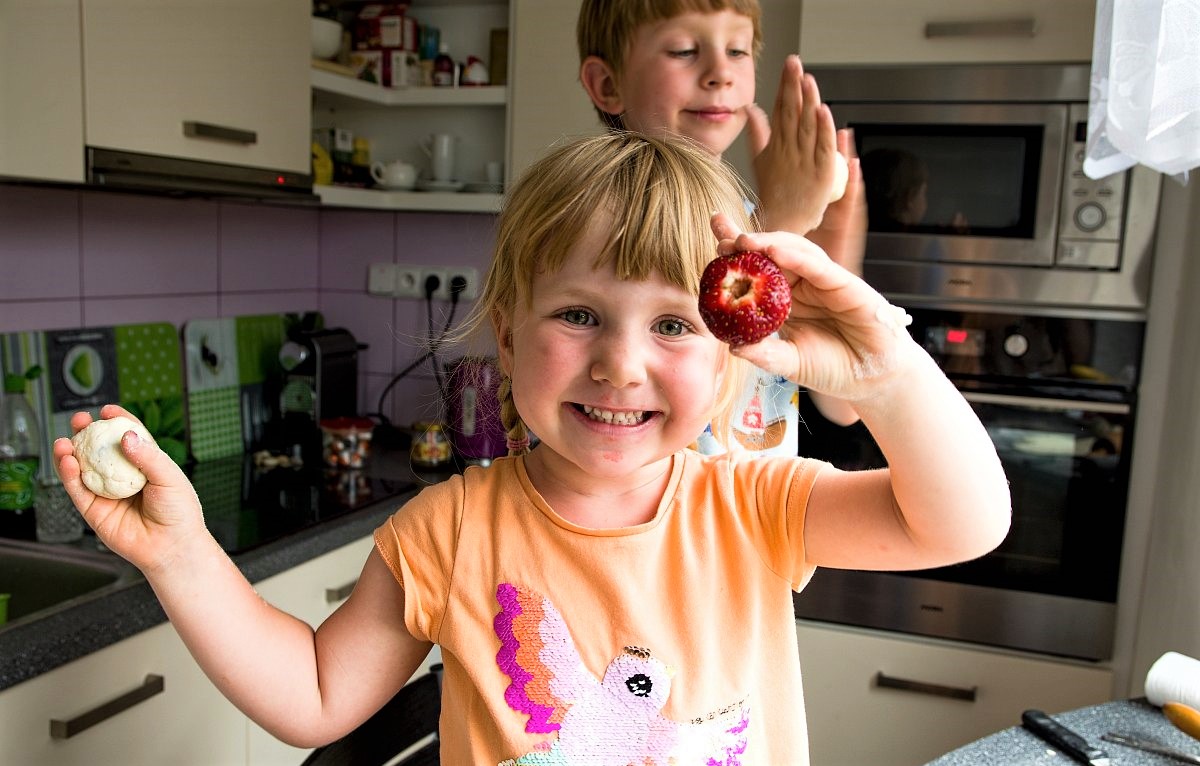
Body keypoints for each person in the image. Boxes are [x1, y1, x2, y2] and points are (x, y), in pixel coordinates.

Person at [54, 133, 1010, 764]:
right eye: (580, 314)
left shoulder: (752, 504)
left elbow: (961, 523)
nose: (621, 364)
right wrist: (178, 553)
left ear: (732, 364)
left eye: (675, 327)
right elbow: (312, 697)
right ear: (508, 338)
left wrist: (886, 370)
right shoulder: (450, 531)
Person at [576, 0, 865, 456]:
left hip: (752, 518)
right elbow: (699, 360)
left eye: (737, 50)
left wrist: (829, 257)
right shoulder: (602, 216)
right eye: (684, 50)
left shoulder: (752, 216)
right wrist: (785, 227)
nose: (720, 74)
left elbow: (844, 403)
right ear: (608, 84)